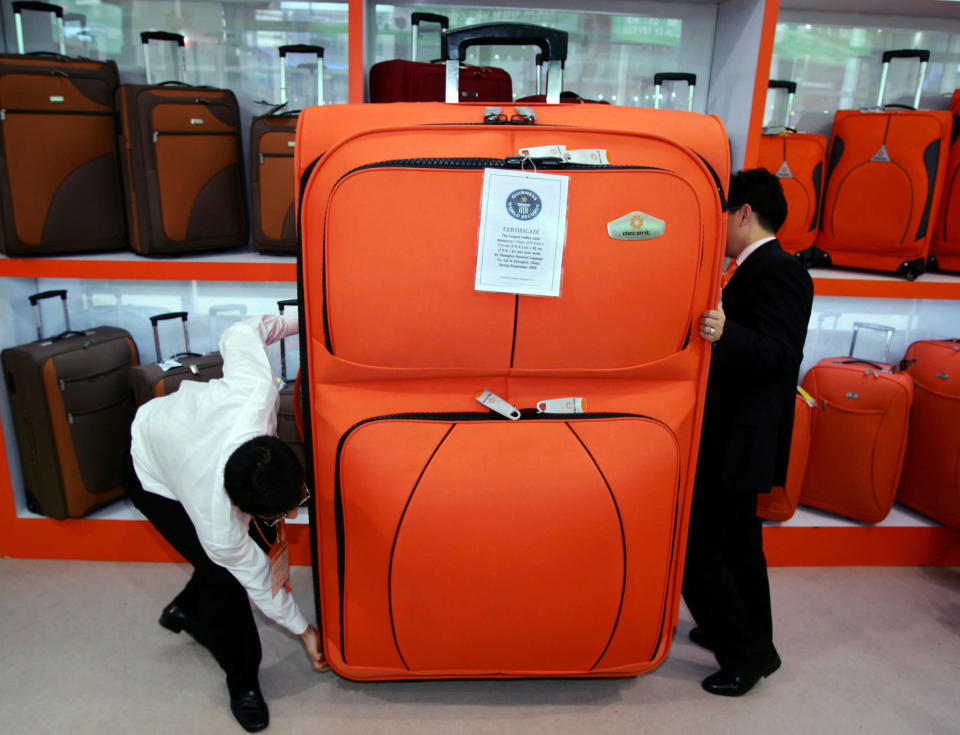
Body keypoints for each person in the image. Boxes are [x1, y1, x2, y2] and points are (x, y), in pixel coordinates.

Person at [125, 314, 326, 733]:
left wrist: (308, 320)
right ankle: (243, 683)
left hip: (180, 439)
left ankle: (182, 610)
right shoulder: (218, 520)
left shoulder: (256, 393)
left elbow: (241, 331)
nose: (290, 516)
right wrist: (304, 631)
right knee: (225, 580)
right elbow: (258, 580)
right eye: (281, 512)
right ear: (239, 505)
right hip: (148, 468)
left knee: (221, 561)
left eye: (294, 503)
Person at [682, 168, 814, 696]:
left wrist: (725, 333)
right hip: (736, 432)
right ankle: (757, 642)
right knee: (738, 544)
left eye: (723, 211)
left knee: (700, 548)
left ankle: (744, 656)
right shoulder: (750, 269)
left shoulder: (781, 270)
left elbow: (783, 356)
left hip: (743, 437)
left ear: (742, 213)